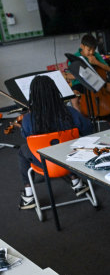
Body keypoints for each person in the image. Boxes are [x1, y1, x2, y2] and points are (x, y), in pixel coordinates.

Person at [18, 75, 92, 210]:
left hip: (45, 163)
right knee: (65, 145)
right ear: (55, 91)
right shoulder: (69, 112)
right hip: (71, 160)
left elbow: (26, 136)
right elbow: (87, 128)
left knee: (22, 150)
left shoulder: (29, 118)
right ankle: (76, 181)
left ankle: (28, 194)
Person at [66, 34, 110, 112]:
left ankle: (108, 110)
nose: (91, 52)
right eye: (89, 50)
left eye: (93, 50)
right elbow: (70, 75)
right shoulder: (75, 57)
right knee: (74, 98)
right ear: (82, 46)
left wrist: (97, 62)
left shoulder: (96, 55)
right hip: (80, 83)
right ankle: (81, 118)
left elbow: (108, 69)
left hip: (97, 81)